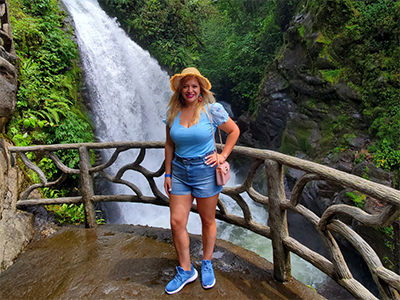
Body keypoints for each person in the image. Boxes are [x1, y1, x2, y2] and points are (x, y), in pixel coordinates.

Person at [163, 67, 240, 294]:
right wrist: (167, 173)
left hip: (205, 171)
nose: (189, 90)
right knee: (177, 222)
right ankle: (186, 270)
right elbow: (169, 144)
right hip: (179, 171)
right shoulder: (172, 112)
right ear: (180, 89)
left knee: (207, 221)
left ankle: (207, 262)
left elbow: (234, 131)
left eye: (194, 86)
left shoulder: (211, 110)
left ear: (200, 90)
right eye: (186, 86)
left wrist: (222, 155)